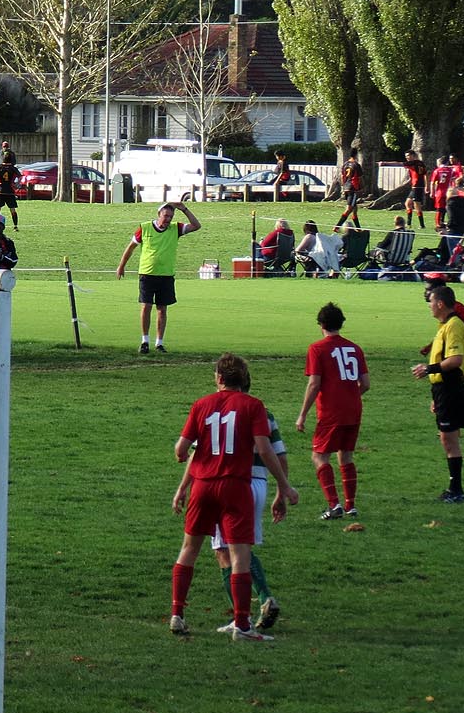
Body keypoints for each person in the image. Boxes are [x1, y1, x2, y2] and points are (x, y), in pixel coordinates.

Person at [169, 353, 298, 640]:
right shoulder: (253, 406)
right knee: (239, 554)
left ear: (218, 378)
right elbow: (266, 450)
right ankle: (242, 624)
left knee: (189, 548)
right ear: (245, 379)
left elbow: (182, 449)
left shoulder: (201, 405)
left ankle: (177, 613)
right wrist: (285, 485)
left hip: (202, 486)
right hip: (235, 485)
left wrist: (182, 471)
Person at [296, 301, 367, 520]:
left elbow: (314, 384)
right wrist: (350, 395)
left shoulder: (317, 349)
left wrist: (303, 414)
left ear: (321, 324)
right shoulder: (355, 348)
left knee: (319, 456)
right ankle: (351, 505)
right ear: (341, 324)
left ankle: (334, 505)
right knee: (345, 455)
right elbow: (365, 384)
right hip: (354, 409)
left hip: (331, 411)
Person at [117, 200, 201, 355]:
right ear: (159, 214)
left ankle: (159, 343)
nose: (168, 219)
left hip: (166, 275)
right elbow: (131, 247)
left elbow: (196, 226)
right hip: (147, 274)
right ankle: (144, 341)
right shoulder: (145, 228)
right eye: (165, 216)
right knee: (146, 306)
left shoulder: (176, 229)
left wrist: (184, 209)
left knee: (162, 309)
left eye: (170, 216)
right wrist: (121, 266)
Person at [412, 283, 464, 503]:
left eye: (431, 302)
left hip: (450, 387)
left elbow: (455, 361)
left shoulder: (454, 325)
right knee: (448, 439)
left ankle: (456, 490)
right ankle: (454, 488)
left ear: (440, 303)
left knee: (449, 439)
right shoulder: (445, 325)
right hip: (442, 389)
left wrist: (429, 368)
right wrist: (434, 395)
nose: (429, 306)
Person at [332, 150, 364, 233]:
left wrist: (343, 186)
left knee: (354, 209)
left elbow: (342, 177)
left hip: (346, 188)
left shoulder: (345, 164)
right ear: (356, 155)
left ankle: (358, 228)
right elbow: (359, 178)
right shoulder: (356, 165)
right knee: (349, 209)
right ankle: (337, 226)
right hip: (352, 188)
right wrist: (361, 188)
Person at [0, 157, 21, 229]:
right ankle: (15, 226)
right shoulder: (13, 168)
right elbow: (20, 176)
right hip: (10, 191)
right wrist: (16, 184)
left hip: (0, 191)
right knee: (12, 210)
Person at [403, 151, 427, 230]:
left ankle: (422, 225)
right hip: (416, 186)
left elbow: (403, 164)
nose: (407, 158)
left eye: (408, 156)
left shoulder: (412, 163)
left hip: (417, 186)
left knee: (417, 206)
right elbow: (425, 174)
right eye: (406, 156)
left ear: (413, 156)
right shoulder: (421, 163)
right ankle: (409, 224)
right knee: (408, 203)